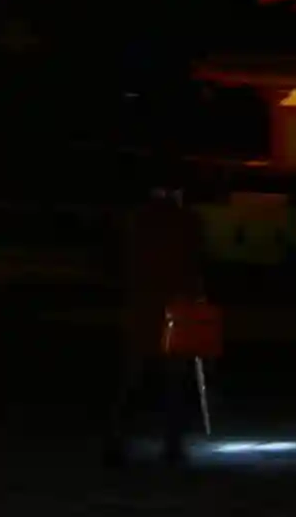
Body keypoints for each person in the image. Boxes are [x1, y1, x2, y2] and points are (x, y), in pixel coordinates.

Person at [105, 173, 206, 467]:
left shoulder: (138, 220)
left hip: (143, 306)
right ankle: (172, 444)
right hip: (175, 308)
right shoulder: (187, 222)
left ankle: (116, 440)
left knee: (132, 377)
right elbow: (194, 267)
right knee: (174, 379)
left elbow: (123, 262)